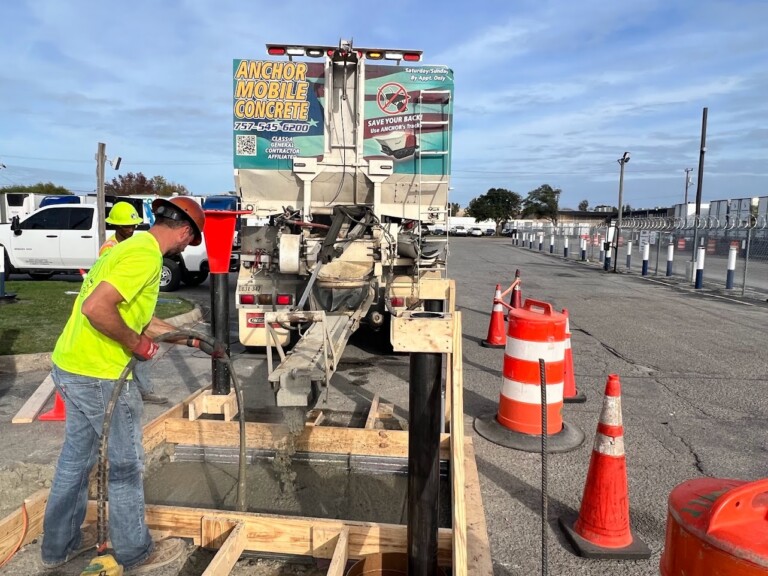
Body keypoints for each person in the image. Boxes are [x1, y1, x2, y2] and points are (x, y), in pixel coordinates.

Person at [41, 196, 206, 573]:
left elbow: (135, 317)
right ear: (184, 231)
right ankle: (135, 552)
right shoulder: (146, 256)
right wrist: (137, 345)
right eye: (188, 241)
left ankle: (58, 545)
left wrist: (191, 340)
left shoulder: (128, 248)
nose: (185, 248)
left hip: (71, 365)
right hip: (103, 374)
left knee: (76, 459)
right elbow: (97, 308)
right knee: (126, 464)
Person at [100, 201, 168, 405]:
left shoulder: (131, 245)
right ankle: (129, 393)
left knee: (144, 351)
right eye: (125, 226)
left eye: (133, 226)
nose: (130, 230)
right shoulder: (109, 249)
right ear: (115, 226)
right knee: (129, 352)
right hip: (121, 311)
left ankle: (142, 389)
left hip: (134, 310)